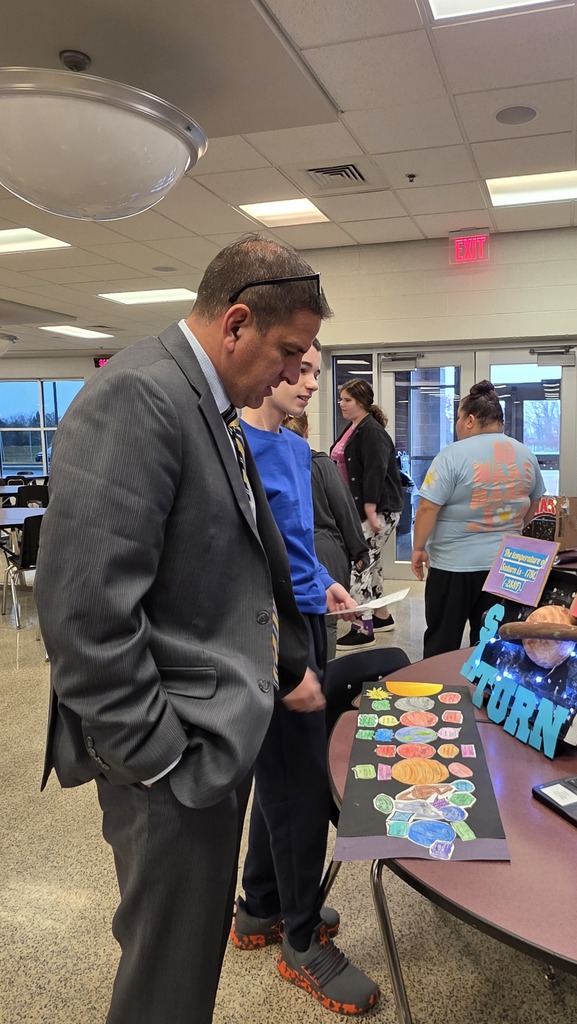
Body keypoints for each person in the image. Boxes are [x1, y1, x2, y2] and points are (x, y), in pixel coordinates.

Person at [34, 234, 331, 1024]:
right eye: (288, 352)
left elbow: (237, 555)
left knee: (188, 965)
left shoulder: (210, 404)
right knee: (168, 981)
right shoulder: (139, 395)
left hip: (210, 731)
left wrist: (288, 659)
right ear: (236, 323)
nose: (294, 373)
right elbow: (82, 615)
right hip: (169, 760)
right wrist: (164, 759)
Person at [230, 341, 380, 1014]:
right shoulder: (232, 451)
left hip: (307, 629)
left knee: (283, 780)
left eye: (320, 372)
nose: (312, 382)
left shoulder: (295, 449)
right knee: (296, 786)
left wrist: (328, 587)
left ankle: (258, 906)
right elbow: (238, 569)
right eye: (303, 367)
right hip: (269, 644)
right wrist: (283, 664)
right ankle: (299, 939)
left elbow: (292, 550)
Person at [410, 380, 546, 659]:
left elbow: (427, 508)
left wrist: (418, 547)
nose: (457, 424)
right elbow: (535, 502)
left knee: (442, 639)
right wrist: (515, 528)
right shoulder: (525, 454)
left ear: (470, 420)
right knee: (491, 643)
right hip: (505, 566)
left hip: (453, 566)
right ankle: (484, 696)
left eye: (459, 417)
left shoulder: (452, 455)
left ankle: (437, 693)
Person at [283, 411, 369, 659]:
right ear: (307, 431)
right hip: (325, 547)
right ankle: (326, 677)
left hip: (289, 549)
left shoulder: (266, 463)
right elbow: (344, 509)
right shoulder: (319, 463)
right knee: (327, 621)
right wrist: (359, 549)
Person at [331, 378, 404, 650]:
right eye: (341, 399)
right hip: (362, 509)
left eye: (347, 400)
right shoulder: (354, 428)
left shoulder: (371, 431)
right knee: (372, 564)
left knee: (358, 565)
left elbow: (376, 470)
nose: (342, 404)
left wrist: (371, 511)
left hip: (377, 510)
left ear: (361, 402)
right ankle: (382, 617)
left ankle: (363, 629)